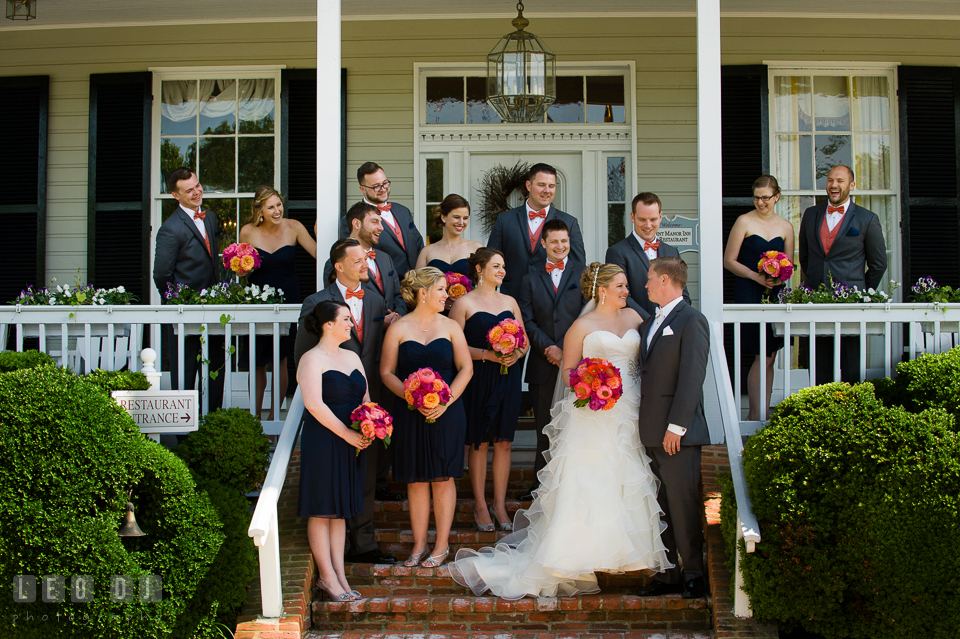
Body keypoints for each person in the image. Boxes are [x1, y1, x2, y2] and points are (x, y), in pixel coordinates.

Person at [449, 263, 671, 599]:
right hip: (594, 413)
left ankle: (628, 554)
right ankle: (578, 555)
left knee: (627, 477)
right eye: (622, 286)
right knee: (589, 482)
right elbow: (567, 372)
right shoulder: (581, 327)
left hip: (632, 410)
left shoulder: (636, 320)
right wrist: (590, 385)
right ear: (602, 290)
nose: (628, 291)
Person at [294, 238, 396, 565]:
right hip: (331, 403)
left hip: (367, 400)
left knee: (364, 476)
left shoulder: (378, 302)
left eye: (366, 260)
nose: (365, 265)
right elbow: (303, 356)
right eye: (358, 261)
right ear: (338, 265)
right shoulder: (316, 302)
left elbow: (375, 352)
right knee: (332, 483)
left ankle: (363, 545)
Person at [380, 267, 472, 568]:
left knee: (442, 478)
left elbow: (466, 369)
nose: (447, 296)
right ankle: (419, 545)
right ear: (423, 293)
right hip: (409, 412)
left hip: (448, 411)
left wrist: (446, 401)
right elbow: (386, 373)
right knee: (416, 481)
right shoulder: (398, 328)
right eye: (441, 290)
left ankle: (441, 545)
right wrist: (409, 394)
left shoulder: (450, 327)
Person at [636, 256, 709, 600]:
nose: (646, 284)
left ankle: (694, 573)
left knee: (683, 504)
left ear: (665, 280)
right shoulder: (648, 323)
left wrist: (676, 427)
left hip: (676, 433)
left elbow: (692, 378)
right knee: (660, 506)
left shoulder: (691, 320)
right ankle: (668, 575)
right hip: (649, 430)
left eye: (650, 279)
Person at [296, 300, 372, 601]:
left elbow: (366, 397)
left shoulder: (353, 356)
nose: (351, 324)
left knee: (339, 512)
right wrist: (345, 434)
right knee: (322, 508)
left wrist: (371, 425)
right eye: (345, 319)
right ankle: (327, 577)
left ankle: (340, 573)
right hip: (325, 439)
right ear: (328, 324)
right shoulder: (311, 359)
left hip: (354, 439)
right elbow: (314, 404)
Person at [449, 248, 526, 532]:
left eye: (503, 266)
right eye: (496, 266)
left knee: (504, 442)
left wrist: (514, 354)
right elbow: (454, 346)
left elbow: (524, 341)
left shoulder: (510, 301)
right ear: (479, 269)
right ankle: (481, 504)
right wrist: (487, 354)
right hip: (479, 377)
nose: (502, 271)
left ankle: (500, 504)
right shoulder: (463, 303)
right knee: (480, 441)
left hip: (508, 376)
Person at [515, 219, 585, 502]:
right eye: (554, 241)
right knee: (544, 427)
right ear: (543, 243)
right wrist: (549, 348)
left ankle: (572, 484)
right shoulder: (529, 279)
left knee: (575, 425)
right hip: (543, 364)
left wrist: (566, 350)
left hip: (577, 363)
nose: (560, 246)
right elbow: (526, 320)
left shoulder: (582, 276)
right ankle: (540, 484)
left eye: (564, 241)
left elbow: (586, 315)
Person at [798, 164, 887, 384]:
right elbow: (806, 257)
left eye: (840, 181)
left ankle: (852, 414)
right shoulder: (810, 214)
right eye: (830, 180)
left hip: (851, 306)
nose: (834, 185)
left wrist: (859, 291)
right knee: (818, 367)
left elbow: (878, 264)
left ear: (852, 185)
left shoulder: (867, 219)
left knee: (851, 368)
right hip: (815, 303)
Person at [239, 185, 317, 420]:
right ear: (260, 210)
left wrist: (320, 234)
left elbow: (318, 253)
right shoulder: (248, 232)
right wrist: (240, 267)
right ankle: (255, 418)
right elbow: (241, 273)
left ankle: (274, 418)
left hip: (288, 299)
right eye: (271, 206)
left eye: (279, 204)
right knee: (258, 360)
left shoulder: (294, 227)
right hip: (258, 301)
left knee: (281, 358)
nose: (277, 210)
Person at [722, 175, 795, 420]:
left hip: (773, 294)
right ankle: (756, 416)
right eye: (756, 197)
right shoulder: (744, 221)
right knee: (760, 353)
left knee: (770, 356)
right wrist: (756, 276)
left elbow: (789, 266)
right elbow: (729, 260)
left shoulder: (786, 227)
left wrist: (779, 277)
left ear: (776, 196)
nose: (760, 202)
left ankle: (760, 416)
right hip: (749, 291)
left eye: (765, 198)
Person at [153, 167, 225, 411]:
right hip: (183, 313)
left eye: (197, 186)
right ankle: (183, 432)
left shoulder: (211, 217)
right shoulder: (170, 228)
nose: (196, 192)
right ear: (176, 196)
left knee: (216, 366)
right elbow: (161, 274)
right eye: (188, 190)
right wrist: (178, 303)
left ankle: (213, 420)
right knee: (185, 372)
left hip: (214, 309)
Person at [488, 163, 585, 300]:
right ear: (528, 186)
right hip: (512, 298)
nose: (547, 190)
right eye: (541, 185)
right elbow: (491, 261)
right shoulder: (505, 220)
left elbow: (578, 268)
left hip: (553, 302)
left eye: (551, 186)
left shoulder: (570, 222)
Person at [605, 192, 690, 319]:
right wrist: (652, 322)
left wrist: (673, 320)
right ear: (632, 217)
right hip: (637, 327)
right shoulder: (617, 252)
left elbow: (683, 295)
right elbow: (622, 295)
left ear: (660, 217)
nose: (648, 225)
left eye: (653, 219)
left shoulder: (672, 252)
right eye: (642, 219)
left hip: (670, 328)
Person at [342, 162, 424, 277]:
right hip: (386, 286)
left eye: (385, 183)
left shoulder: (403, 210)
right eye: (376, 186)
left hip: (415, 283)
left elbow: (418, 244)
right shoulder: (353, 220)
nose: (383, 189)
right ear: (362, 189)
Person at [324, 201, 405, 317]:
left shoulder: (385, 258)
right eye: (374, 222)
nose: (381, 228)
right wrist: (380, 322)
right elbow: (335, 304)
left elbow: (398, 294)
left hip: (393, 331)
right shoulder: (337, 262)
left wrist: (397, 316)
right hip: (362, 332)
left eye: (381, 222)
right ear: (356, 224)